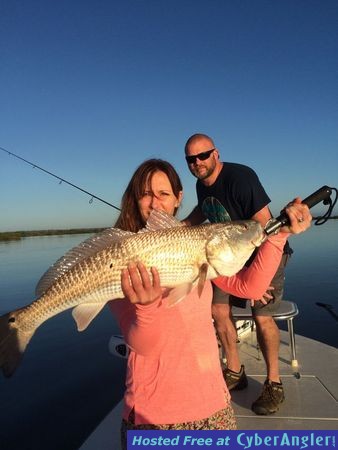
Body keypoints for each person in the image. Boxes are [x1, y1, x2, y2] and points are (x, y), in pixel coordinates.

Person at [109, 158, 311, 449]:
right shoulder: (123, 257)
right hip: (154, 416)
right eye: (146, 193)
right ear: (133, 198)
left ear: (179, 198)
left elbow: (249, 286)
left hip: (214, 406)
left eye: (164, 194)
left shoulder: (200, 255)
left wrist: (279, 236)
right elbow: (145, 345)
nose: (155, 203)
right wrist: (146, 307)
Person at [183, 133, 294, 416]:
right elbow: (204, 209)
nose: (197, 163)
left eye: (203, 156)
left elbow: (265, 228)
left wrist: (259, 280)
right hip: (228, 258)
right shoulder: (200, 183)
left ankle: (273, 383)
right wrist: (183, 225)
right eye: (191, 159)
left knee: (262, 314)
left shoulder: (240, 178)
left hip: (265, 254)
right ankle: (235, 370)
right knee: (218, 309)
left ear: (216, 154)